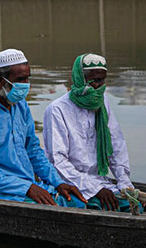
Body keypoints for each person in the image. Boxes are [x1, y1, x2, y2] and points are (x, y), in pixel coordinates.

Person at [0, 48, 86, 207]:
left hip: (25, 184)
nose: (26, 85)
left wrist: (57, 181)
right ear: (0, 81)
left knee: (78, 203)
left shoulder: (20, 106)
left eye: (28, 79)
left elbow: (33, 150)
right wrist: (27, 188)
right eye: (20, 80)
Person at [43, 54, 137, 212]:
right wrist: (95, 189)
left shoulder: (102, 102)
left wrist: (124, 183)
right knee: (93, 207)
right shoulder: (57, 109)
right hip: (69, 182)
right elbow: (58, 162)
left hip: (99, 180)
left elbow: (116, 145)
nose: (99, 86)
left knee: (134, 206)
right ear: (80, 79)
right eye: (94, 81)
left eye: (102, 80)